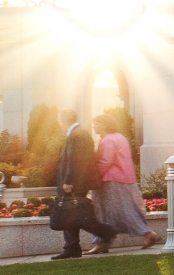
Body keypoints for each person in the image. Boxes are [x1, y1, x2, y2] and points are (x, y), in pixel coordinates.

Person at [88, 112, 160, 253]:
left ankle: (102, 242)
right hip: (125, 179)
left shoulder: (107, 140)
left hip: (110, 181)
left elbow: (105, 162)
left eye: (96, 123)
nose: (94, 126)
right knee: (126, 210)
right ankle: (147, 234)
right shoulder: (120, 138)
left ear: (104, 125)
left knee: (102, 212)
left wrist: (94, 179)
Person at [49, 111, 116, 260]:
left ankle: (107, 232)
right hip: (76, 181)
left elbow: (75, 160)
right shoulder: (77, 133)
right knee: (70, 213)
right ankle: (72, 248)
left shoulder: (77, 134)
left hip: (76, 183)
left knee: (78, 215)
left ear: (62, 120)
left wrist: (68, 181)